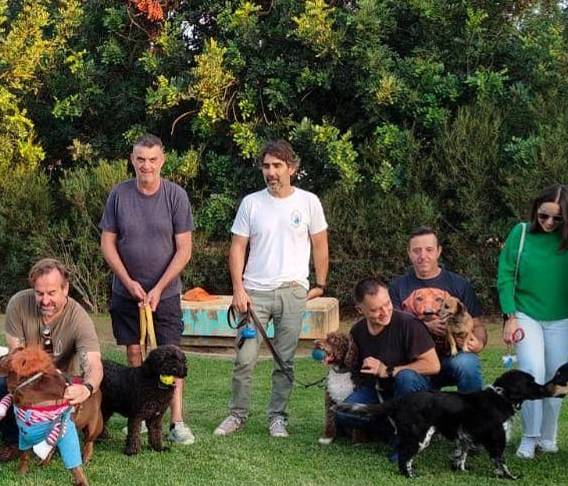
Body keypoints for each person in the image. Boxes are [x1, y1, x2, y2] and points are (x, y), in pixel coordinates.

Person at [215, 140, 329, 438]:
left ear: (291, 168)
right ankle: (237, 415)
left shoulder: (308, 202)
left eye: (277, 166)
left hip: (293, 291)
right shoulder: (251, 203)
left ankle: (277, 417)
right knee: (244, 359)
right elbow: (237, 247)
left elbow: (320, 244)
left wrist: (319, 285)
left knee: (285, 360)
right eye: (266, 166)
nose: (271, 172)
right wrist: (238, 288)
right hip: (254, 293)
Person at [98, 135, 196, 445]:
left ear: (162, 161)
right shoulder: (119, 194)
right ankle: (138, 417)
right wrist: (128, 282)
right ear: (132, 160)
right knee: (134, 354)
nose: (146, 165)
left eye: (152, 159)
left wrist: (159, 287)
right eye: (141, 159)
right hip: (126, 292)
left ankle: (176, 422)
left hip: (164, 294)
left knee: (172, 357)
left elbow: (184, 249)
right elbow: (107, 243)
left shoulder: (176, 196)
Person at [495, 184, 568, 459]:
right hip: (526, 313)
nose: (548, 222)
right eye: (543, 216)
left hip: (563, 316)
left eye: (556, 218)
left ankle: (549, 435)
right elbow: (505, 274)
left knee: (555, 376)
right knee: (531, 369)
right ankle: (529, 436)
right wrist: (510, 317)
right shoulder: (521, 233)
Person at [0, 259, 105, 462]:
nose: (45, 300)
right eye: (39, 293)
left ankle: (55, 435)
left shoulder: (80, 319)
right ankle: (13, 440)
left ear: (65, 289)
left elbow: (93, 363)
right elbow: (16, 354)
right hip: (24, 370)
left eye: (51, 293)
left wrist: (87, 388)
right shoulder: (18, 304)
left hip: (62, 375)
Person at [330, 279, 440, 441]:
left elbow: (433, 365)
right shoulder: (357, 331)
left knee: (406, 376)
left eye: (387, 304)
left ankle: (405, 437)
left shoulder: (408, 324)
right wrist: (334, 360)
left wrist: (387, 370)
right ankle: (396, 426)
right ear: (360, 310)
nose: (385, 311)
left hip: (412, 391)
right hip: (378, 392)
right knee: (342, 414)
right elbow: (351, 364)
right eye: (375, 309)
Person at [388, 227, 486, 394]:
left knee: (467, 363)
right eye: (416, 251)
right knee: (404, 377)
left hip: (451, 358)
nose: (423, 256)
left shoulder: (459, 285)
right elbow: (392, 329)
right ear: (409, 253)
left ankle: (473, 416)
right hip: (416, 361)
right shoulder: (397, 288)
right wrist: (424, 327)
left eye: (429, 250)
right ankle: (413, 419)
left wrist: (479, 342)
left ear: (439, 251)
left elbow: (477, 325)